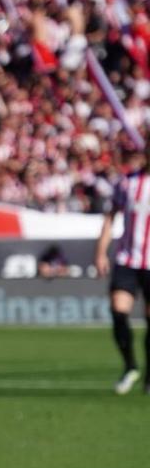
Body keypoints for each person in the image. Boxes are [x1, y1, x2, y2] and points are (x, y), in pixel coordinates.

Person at [95, 148, 150, 395]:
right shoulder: (127, 182)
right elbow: (110, 218)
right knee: (118, 310)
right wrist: (100, 252)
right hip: (127, 259)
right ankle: (130, 365)